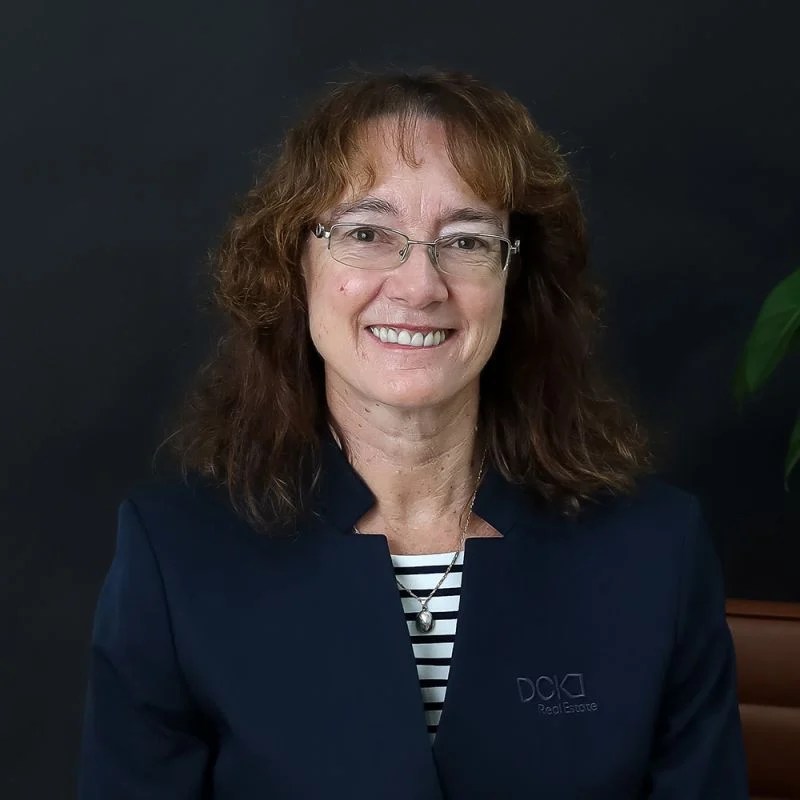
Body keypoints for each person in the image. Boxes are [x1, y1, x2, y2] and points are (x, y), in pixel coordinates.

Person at [78, 70, 749, 798]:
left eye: (465, 241)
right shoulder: (176, 557)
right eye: (367, 234)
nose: (420, 285)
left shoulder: (657, 552)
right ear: (294, 263)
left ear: (513, 278)